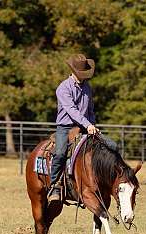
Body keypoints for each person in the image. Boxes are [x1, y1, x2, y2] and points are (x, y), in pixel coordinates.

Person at [48, 54, 117, 203]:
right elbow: (72, 110)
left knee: (111, 146)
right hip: (65, 127)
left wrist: (92, 125)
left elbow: (90, 109)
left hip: (86, 126)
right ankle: (54, 185)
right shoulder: (63, 88)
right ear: (73, 71)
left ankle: (108, 182)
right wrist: (88, 125)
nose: (84, 77)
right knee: (60, 153)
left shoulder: (87, 87)